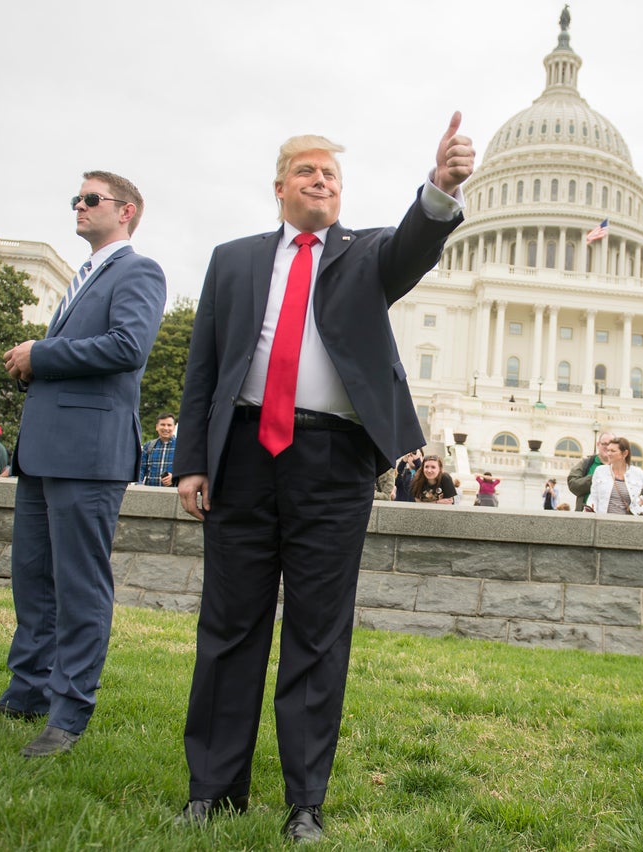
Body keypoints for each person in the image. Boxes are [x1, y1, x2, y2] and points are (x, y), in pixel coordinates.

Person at [173, 116, 474, 843]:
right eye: (308, 172)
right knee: (229, 625)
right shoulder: (234, 259)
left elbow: (414, 246)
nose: (321, 183)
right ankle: (213, 790)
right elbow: (204, 366)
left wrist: (440, 188)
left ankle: (305, 801)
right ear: (280, 188)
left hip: (333, 462)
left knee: (317, 633)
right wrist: (191, 461)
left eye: (331, 176)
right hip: (244, 454)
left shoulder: (368, 253)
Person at [0, 170, 166, 759]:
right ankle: (26, 694)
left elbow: (128, 346)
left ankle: (69, 713)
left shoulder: (138, 271)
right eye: (75, 198)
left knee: (78, 587)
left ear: (125, 211)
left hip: (89, 455)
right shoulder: (82, 277)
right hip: (44, 452)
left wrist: (38, 354)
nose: (78, 205)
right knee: (34, 582)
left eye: (90, 198)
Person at [589, 437, 643, 514]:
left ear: (625, 453)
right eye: (608, 450)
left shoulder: (637, 472)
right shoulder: (600, 471)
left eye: (613, 451)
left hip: (629, 522)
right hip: (604, 521)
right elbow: (593, 497)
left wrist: (642, 500)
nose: (608, 453)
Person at [567, 431, 615, 511]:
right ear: (598, 444)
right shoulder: (586, 463)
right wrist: (594, 478)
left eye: (611, 444)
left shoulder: (621, 467)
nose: (607, 447)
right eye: (604, 444)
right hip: (586, 516)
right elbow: (572, 484)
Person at [139, 413, 177, 486]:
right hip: (150, 492)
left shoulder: (181, 447)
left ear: (174, 428)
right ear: (157, 427)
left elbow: (187, 472)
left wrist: (175, 477)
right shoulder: (149, 446)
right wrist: (139, 485)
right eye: (162, 424)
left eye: (169, 425)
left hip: (173, 492)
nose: (166, 428)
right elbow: (141, 469)